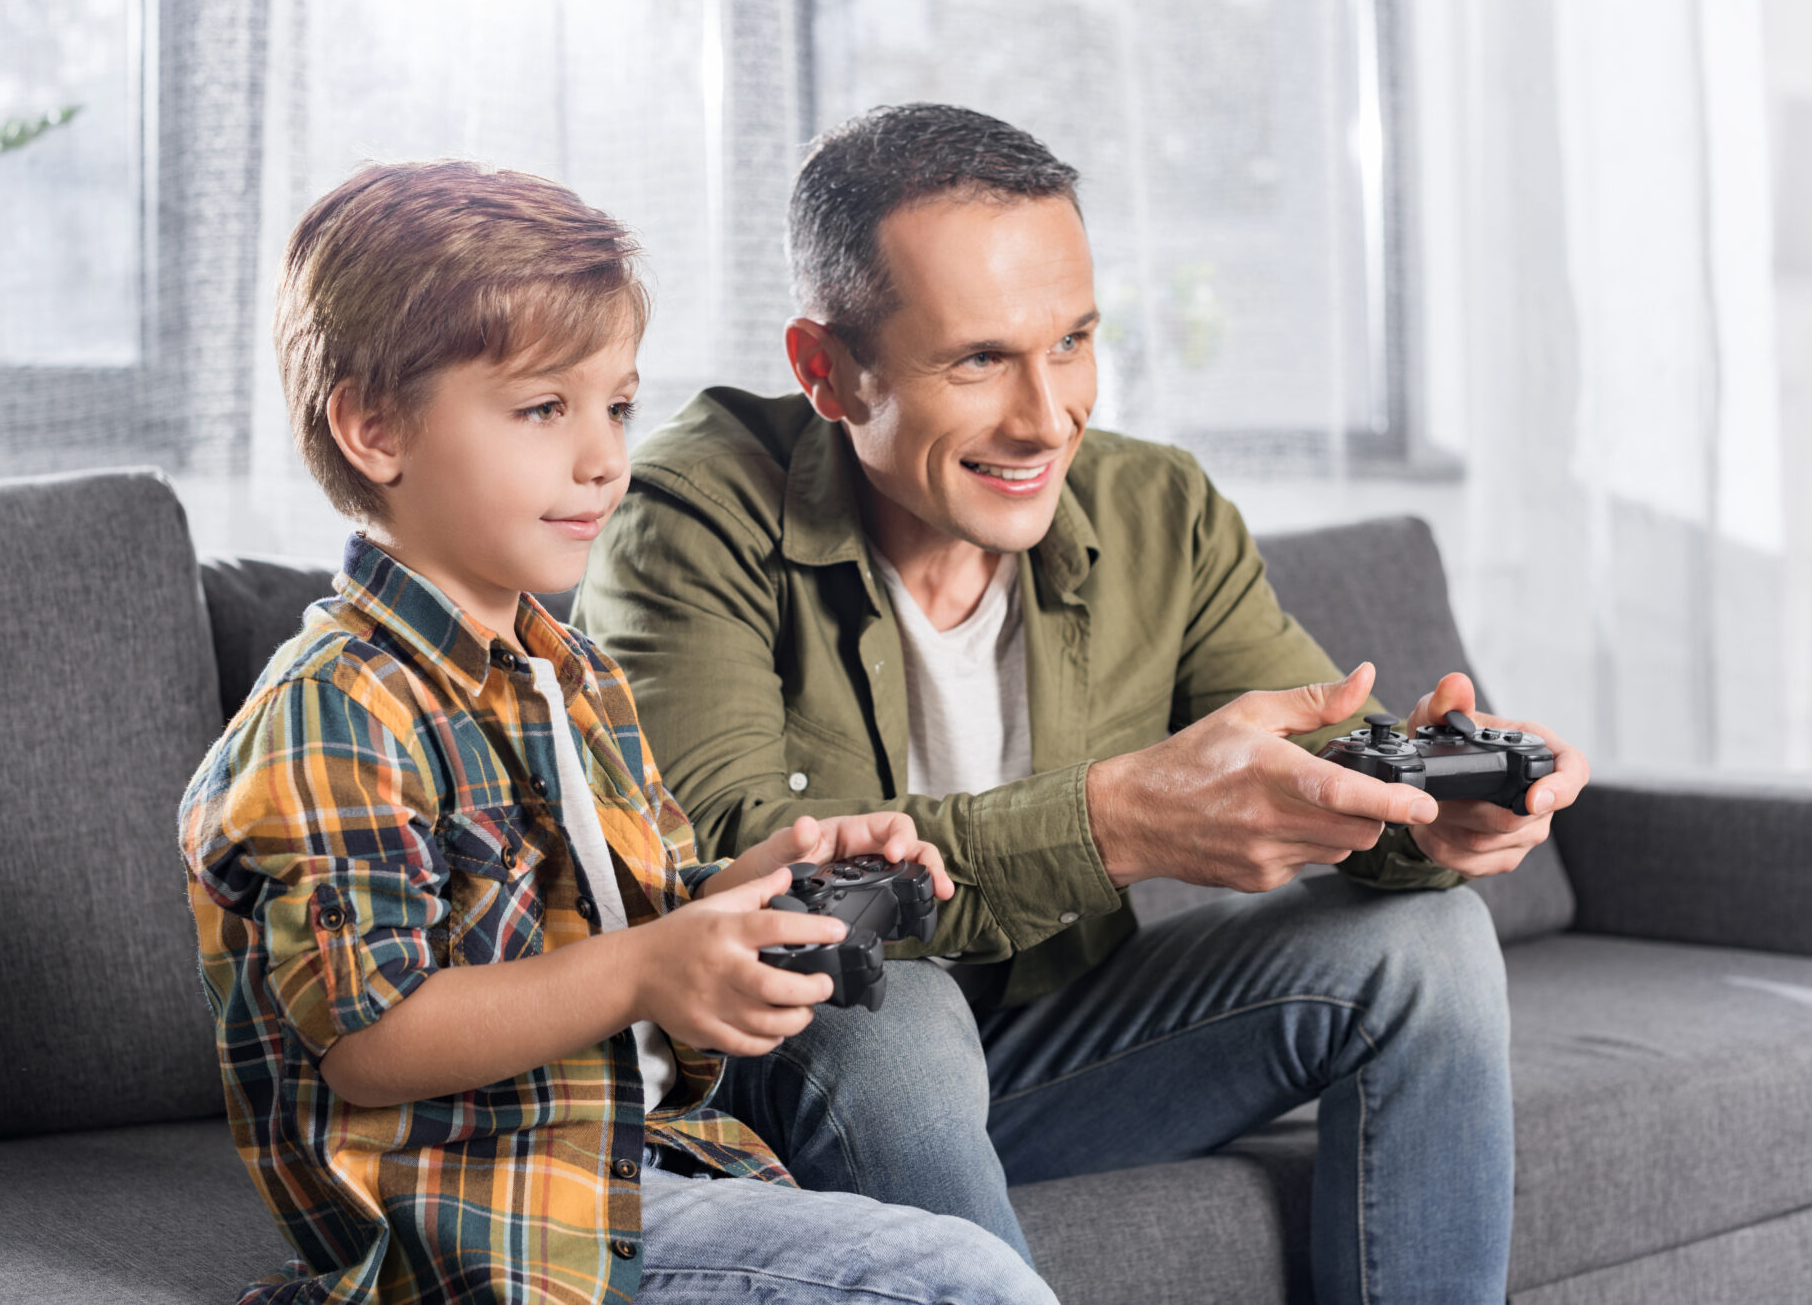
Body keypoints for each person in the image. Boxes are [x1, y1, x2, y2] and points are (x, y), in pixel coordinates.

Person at [573, 104, 1592, 1305]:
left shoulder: (1158, 507)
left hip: (1055, 1050)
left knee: (1425, 943)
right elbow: (739, 882)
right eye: (977, 359)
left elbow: (1320, 769)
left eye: (1072, 339)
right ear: (826, 369)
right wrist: (1112, 824)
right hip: (801, 1073)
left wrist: (1429, 822)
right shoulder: (688, 509)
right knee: (886, 1012)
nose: (1048, 414)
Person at [177, 159, 1059, 1305]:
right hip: (488, 1224)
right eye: (544, 408)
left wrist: (759, 883)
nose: (603, 457)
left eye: (616, 405)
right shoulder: (334, 708)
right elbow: (370, 1035)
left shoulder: (566, 667)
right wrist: (648, 966)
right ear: (372, 428)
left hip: (637, 1161)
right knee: (955, 1280)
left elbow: (626, 909)